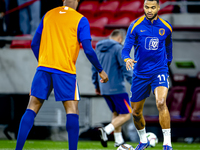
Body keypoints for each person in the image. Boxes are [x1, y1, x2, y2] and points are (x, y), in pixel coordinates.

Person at [15, 0, 108, 150]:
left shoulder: (48, 15)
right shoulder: (80, 19)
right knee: (72, 110)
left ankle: (18, 149)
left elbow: (34, 43)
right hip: (65, 71)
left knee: (31, 108)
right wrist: (101, 70)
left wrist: (44, 61)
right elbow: (89, 50)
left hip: (43, 68)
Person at [121, 0, 173, 150]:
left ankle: (167, 144)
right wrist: (127, 58)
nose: (149, 10)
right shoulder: (135, 26)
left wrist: (167, 63)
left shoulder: (166, 27)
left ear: (158, 8)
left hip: (159, 71)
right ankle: (143, 140)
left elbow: (169, 47)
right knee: (136, 112)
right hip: (140, 74)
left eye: (152, 7)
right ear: (143, 7)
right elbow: (126, 49)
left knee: (161, 102)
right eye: (146, 7)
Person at [92, 29, 132, 147]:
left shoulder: (98, 48)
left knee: (116, 113)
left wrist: (96, 85)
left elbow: (94, 68)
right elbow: (126, 67)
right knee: (126, 114)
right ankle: (107, 130)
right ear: (120, 38)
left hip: (104, 88)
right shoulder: (119, 48)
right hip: (117, 88)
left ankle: (118, 140)